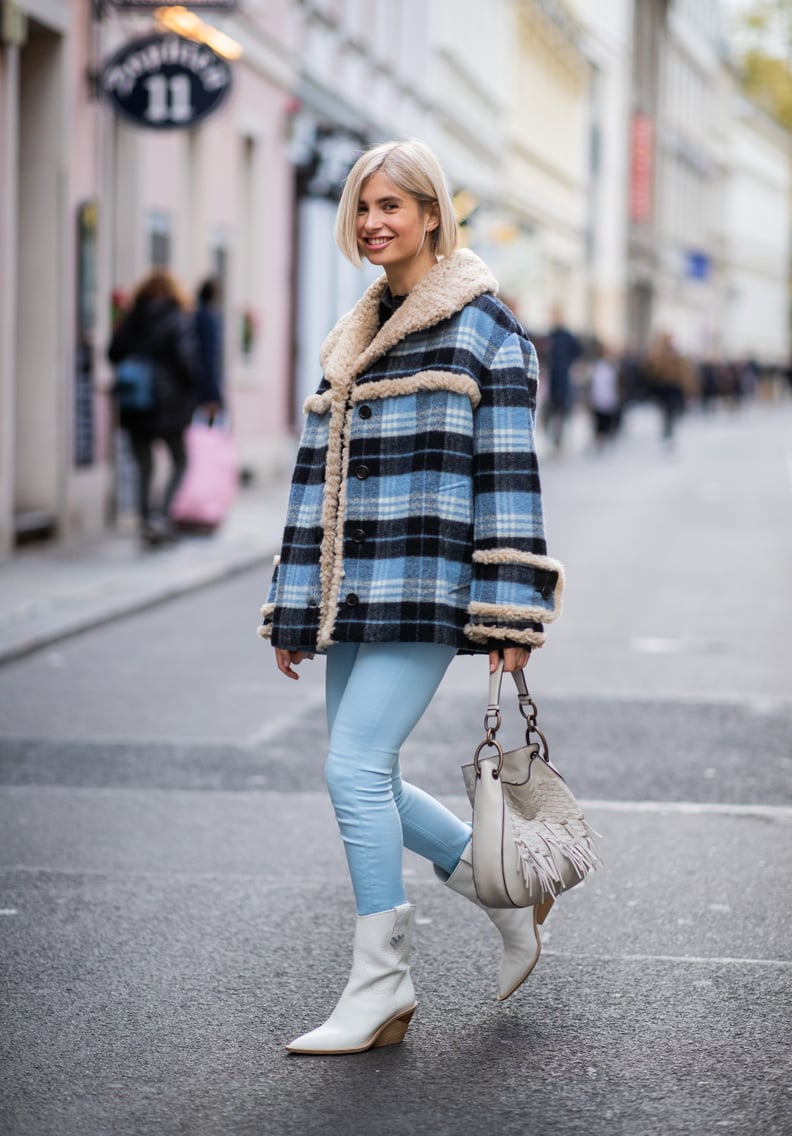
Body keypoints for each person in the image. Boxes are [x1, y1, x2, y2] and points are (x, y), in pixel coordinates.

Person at [259, 139, 565, 1055]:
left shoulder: (485, 330)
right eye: (362, 207)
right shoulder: (352, 338)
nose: (373, 222)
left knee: (351, 771)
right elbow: (316, 483)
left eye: (392, 205)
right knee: (374, 774)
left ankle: (381, 983)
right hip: (352, 594)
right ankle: (503, 891)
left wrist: (512, 610)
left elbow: (509, 476)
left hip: (426, 587)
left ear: (434, 214)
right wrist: (294, 604)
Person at [108, 270, 200, 548]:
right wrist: (193, 387)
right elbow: (186, 361)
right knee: (180, 459)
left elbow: (113, 353)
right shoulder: (176, 318)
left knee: (143, 466)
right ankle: (162, 514)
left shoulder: (131, 318)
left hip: (135, 403)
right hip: (168, 402)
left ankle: (148, 521)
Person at [542, 304, 581, 453]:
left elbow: (576, 354)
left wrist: (571, 367)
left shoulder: (567, 336)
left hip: (563, 379)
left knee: (562, 412)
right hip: (551, 380)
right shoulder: (549, 336)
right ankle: (553, 441)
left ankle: (559, 441)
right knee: (549, 414)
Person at [193, 277, 224, 420]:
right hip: (205, 381)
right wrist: (213, 392)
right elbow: (209, 355)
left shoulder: (196, 315)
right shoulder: (208, 319)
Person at [588, 339, 621, 448]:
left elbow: (617, 382)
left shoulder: (613, 365)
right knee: (598, 419)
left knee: (606, 419)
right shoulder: (595, 365)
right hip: (597, 396)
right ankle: (599, 438)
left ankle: (604, 437)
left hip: (608, 396)